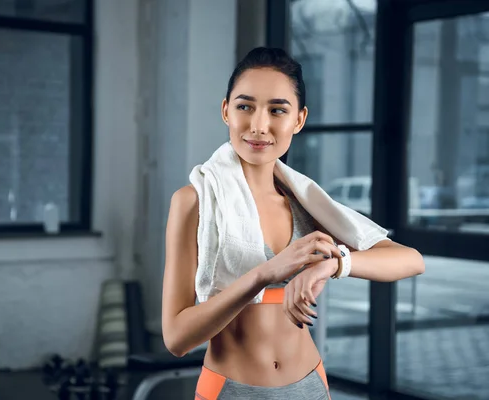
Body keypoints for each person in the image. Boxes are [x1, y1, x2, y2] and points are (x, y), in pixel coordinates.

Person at [161, 47, 425, 400]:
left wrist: (332, 265)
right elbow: (177, 338)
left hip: (310, 385)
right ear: (226, 111)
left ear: (298, 120)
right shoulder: (194, 202)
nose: (258, 125)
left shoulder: (308, 205)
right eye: (245, 106)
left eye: (277, 110)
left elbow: (410, 259)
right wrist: (264, 274)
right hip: (232, 389)